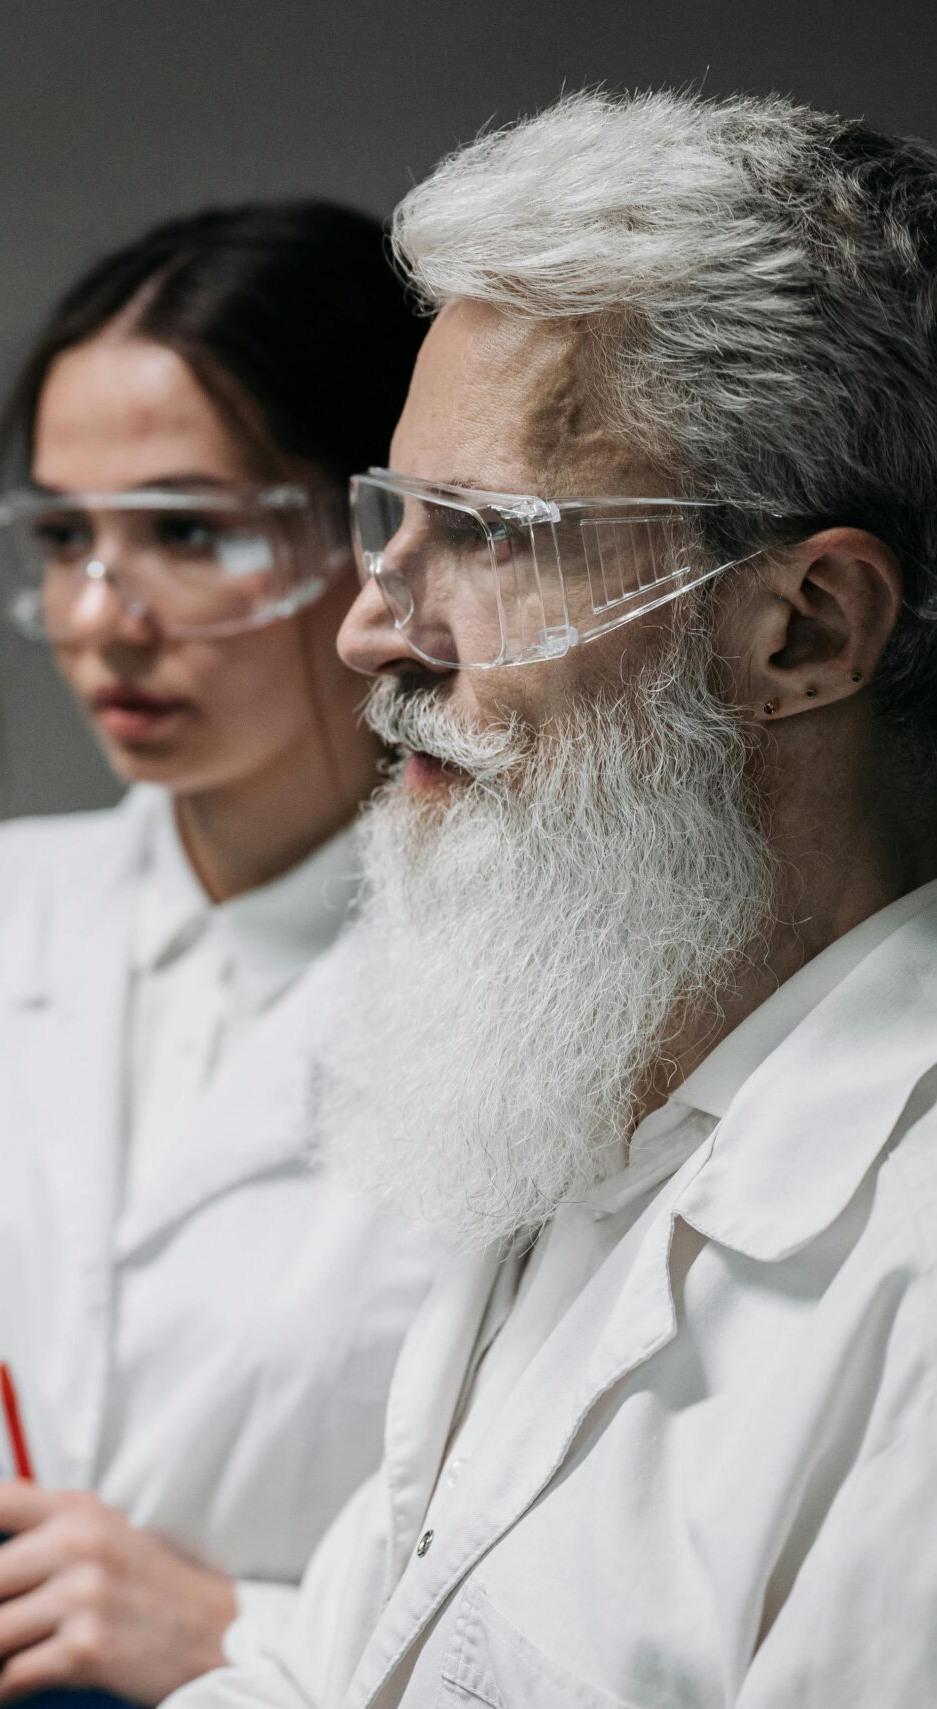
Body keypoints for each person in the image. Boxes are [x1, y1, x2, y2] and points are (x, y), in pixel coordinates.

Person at [170, 90, 937, 1708]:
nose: (373, 635)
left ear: (806, 628)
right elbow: (341, 1676)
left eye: (495, 537)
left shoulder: (911, 1277)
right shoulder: (588, 1085)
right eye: (394, 523)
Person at [0, 202, 440, 1705]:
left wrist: (230, 1632)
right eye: (65, 537)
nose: (100, 618)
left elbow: (596, 1587)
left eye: (189, 532)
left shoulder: (545, 982)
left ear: (384, 535)